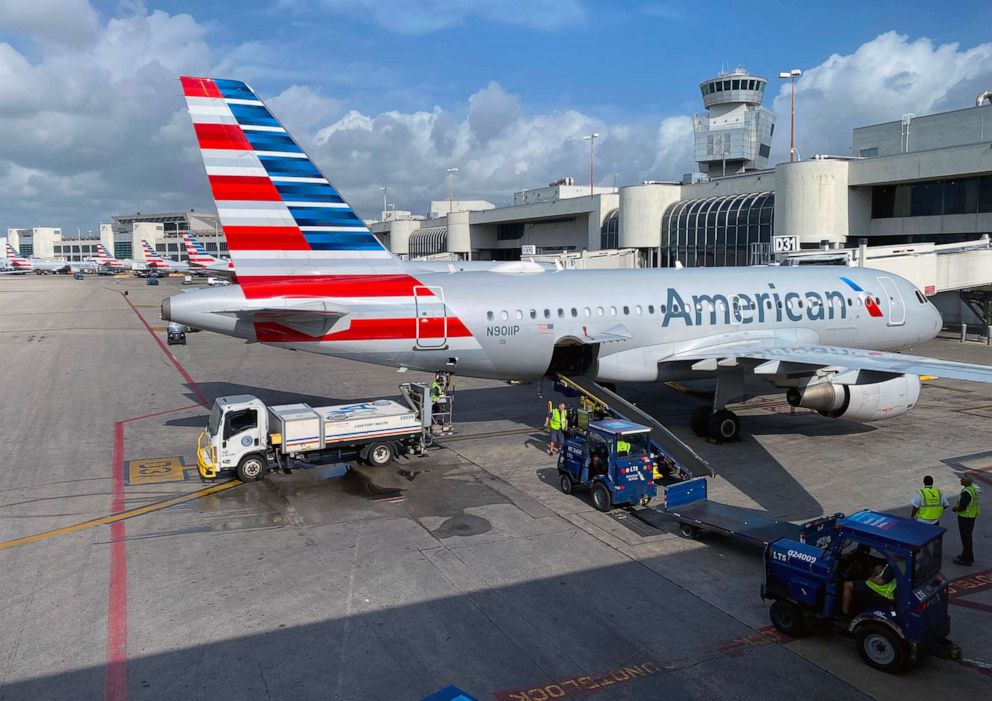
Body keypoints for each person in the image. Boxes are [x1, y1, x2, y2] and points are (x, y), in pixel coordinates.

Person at [951, 475, 981, 566]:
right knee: (968, 537)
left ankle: (966, 560)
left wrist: (955, 509)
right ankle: (968, 556)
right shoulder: (972, 489)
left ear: (966, 482)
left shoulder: (966, 492)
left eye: (962, 480)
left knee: (966, 538)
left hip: (966, 517)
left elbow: (962, 507)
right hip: (971, 516)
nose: (960, 480)